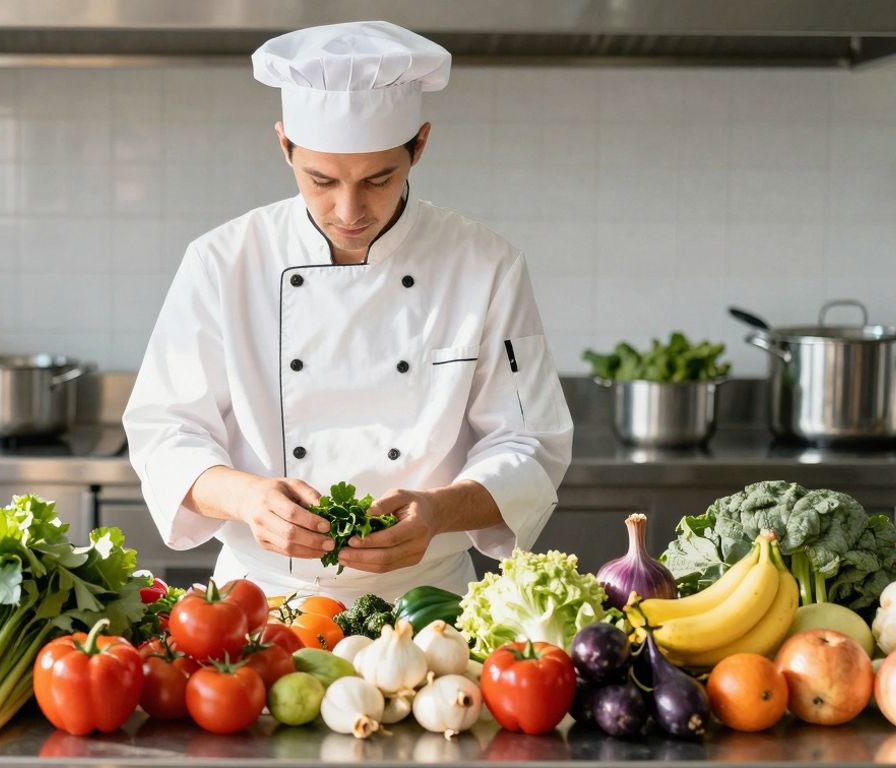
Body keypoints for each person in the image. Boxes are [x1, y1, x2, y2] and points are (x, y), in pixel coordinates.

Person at [123, 21, 573, 601]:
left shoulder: (485, 264)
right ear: (284, 145)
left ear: (420, 145)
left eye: (379, 178)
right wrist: (248, 499)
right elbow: (165, 431)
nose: (350, 209)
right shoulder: (222, 261)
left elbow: (530, 443)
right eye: (321, 179)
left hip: (429, 602)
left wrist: (437, 511)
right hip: (257, 599)